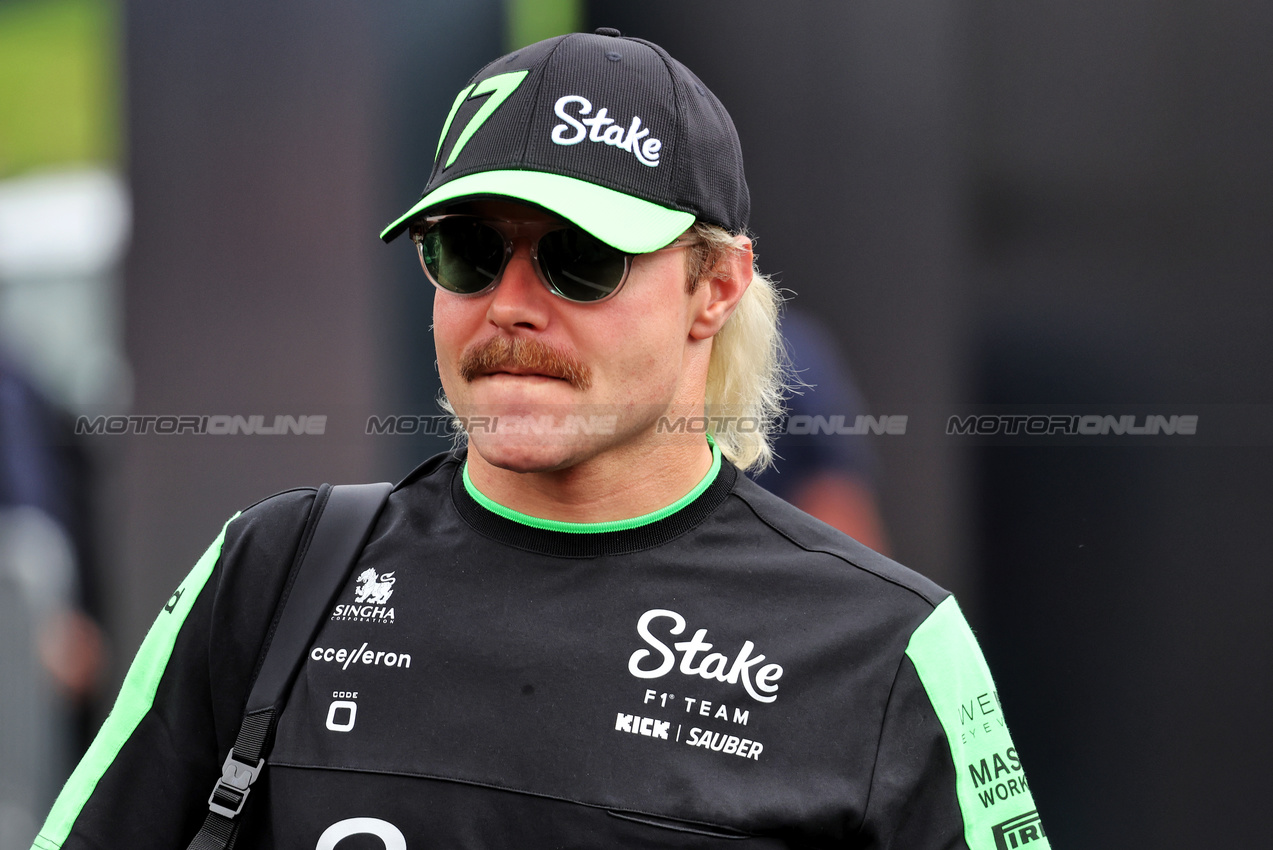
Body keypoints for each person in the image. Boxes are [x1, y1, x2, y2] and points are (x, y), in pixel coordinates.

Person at [33, 30, 1049, 850]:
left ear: (717, 286)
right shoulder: (273, 572)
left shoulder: (886, 649)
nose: (511, 306)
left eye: (579, 258)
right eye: (468, 251)